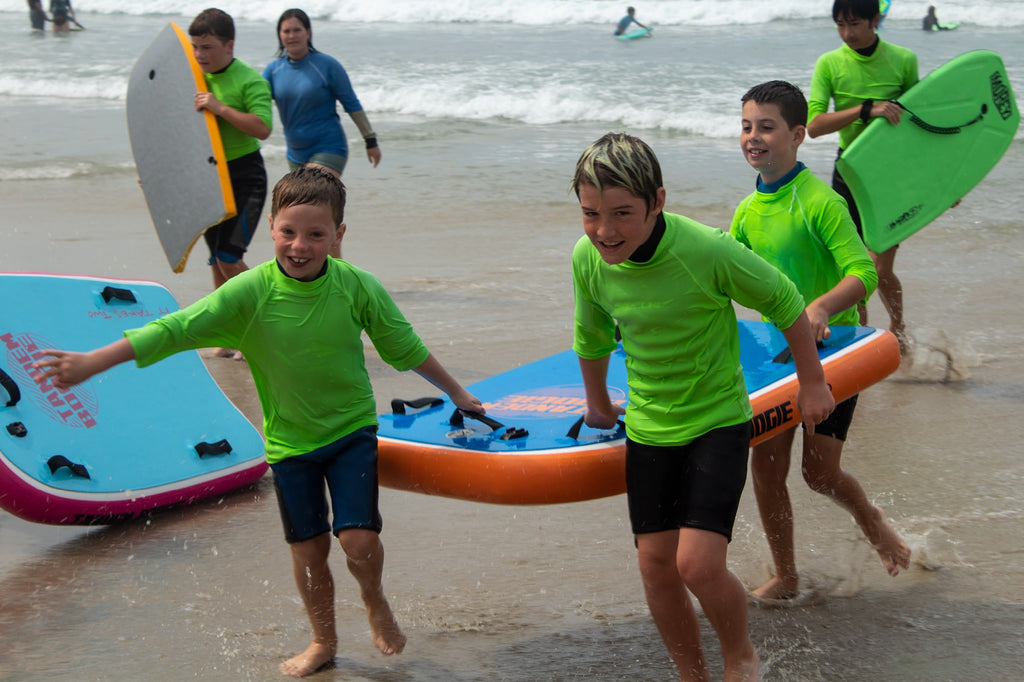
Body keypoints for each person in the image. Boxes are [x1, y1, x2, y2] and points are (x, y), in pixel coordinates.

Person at [33, 166, 485, 679]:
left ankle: (374, 599)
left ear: (339, 235)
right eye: (289, 232)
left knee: (357, 541)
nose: (300, 245)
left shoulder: (358, 286)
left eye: (316, 234)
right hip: (290, 442)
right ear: (271, 226)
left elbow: (406, 349)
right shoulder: (249, 292)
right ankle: (323, 640)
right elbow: (175, 329)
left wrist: (457, 392)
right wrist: (94, 361)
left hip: (350, 430)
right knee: (309, 550)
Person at [570, 132, 835, 681]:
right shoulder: (588, 259)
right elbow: (591, 333)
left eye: (622, 213)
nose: (604, 231)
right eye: (591, 214)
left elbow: (784, 299)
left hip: (716, 420)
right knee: (656, 567)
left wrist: (812, 382)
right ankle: (692, 674)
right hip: (648, 425)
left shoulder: (704, 250)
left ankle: (738, 652)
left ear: (658, 201)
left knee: (697, 563)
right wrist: (597, 402)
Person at [731, 80, 911, 602]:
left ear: (798, 134)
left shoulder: (821, 202)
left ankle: (869, 517)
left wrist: (821, 306)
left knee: (818, 472)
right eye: (746, 126)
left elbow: (863, 272)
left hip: (836, 349)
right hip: (775, 354)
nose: (753, 137)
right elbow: (724, 277)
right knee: (764, 468)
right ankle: (786, 576)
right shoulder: (747, 212)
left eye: (766, 126)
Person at [807, 0, 918, 357]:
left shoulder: (903, 59)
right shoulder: (830, 63)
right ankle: (863, 340)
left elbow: (917, 126)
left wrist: (937, 180)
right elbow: (814, 125)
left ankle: (898, 328)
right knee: (854, 269)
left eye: (855, 24)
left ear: (876, 20)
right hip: (851, 173)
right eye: (840, 25)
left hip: (893, 175)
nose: (847, 33)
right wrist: (866, 109)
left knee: (879, 268)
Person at [188, 8, 273, 359]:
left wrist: (220, 108)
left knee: (229, 256)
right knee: (215, 261)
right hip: (208, 176)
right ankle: (231, 332)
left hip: (245, 177)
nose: (199, 55)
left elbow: (262, 128)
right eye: (195, 48)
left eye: (207, 47)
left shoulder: (250, 80)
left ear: (229, 44)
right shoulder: (192, 78)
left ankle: (265, 324)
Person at [263, 8, 381, 259]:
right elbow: (254, 105)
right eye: (286, 30)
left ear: (308, 32)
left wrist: (370, 139)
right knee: (309, 216)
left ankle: (334, 275)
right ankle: (323, 272)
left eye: (297, 29)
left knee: (317, 206)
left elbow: (351, 103)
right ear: (279, 35)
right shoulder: (273, 71)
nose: (292, 35)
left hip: (329, 147)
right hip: (295, 153)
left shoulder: (326, 66)